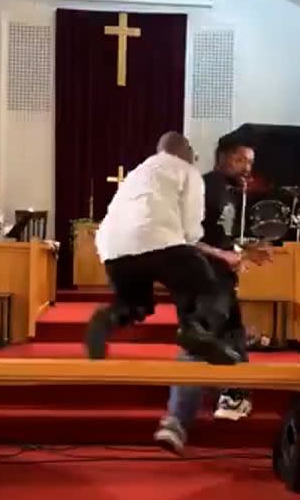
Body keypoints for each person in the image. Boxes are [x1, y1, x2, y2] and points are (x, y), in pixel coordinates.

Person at [153, 139, 272, 454]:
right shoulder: (202, 189)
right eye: (240, 160)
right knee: (198, 344)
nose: (247, 168)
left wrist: (245, 251)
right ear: (223, 158)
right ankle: (175, 422)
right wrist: (222, 255)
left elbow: (220, 237)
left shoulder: (229, 192)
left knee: (233, 338)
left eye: (250, 161)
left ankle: (234, 396)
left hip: (220, 282)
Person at [87, 132, 241, 365]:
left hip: (113, 249)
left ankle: (107, 319)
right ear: (185, 151)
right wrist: (216, 253)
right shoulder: (186, 170)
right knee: (206, 286)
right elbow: (191, 231)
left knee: (135, 303)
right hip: (158, 241)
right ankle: (194, 330)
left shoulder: (137, 172)